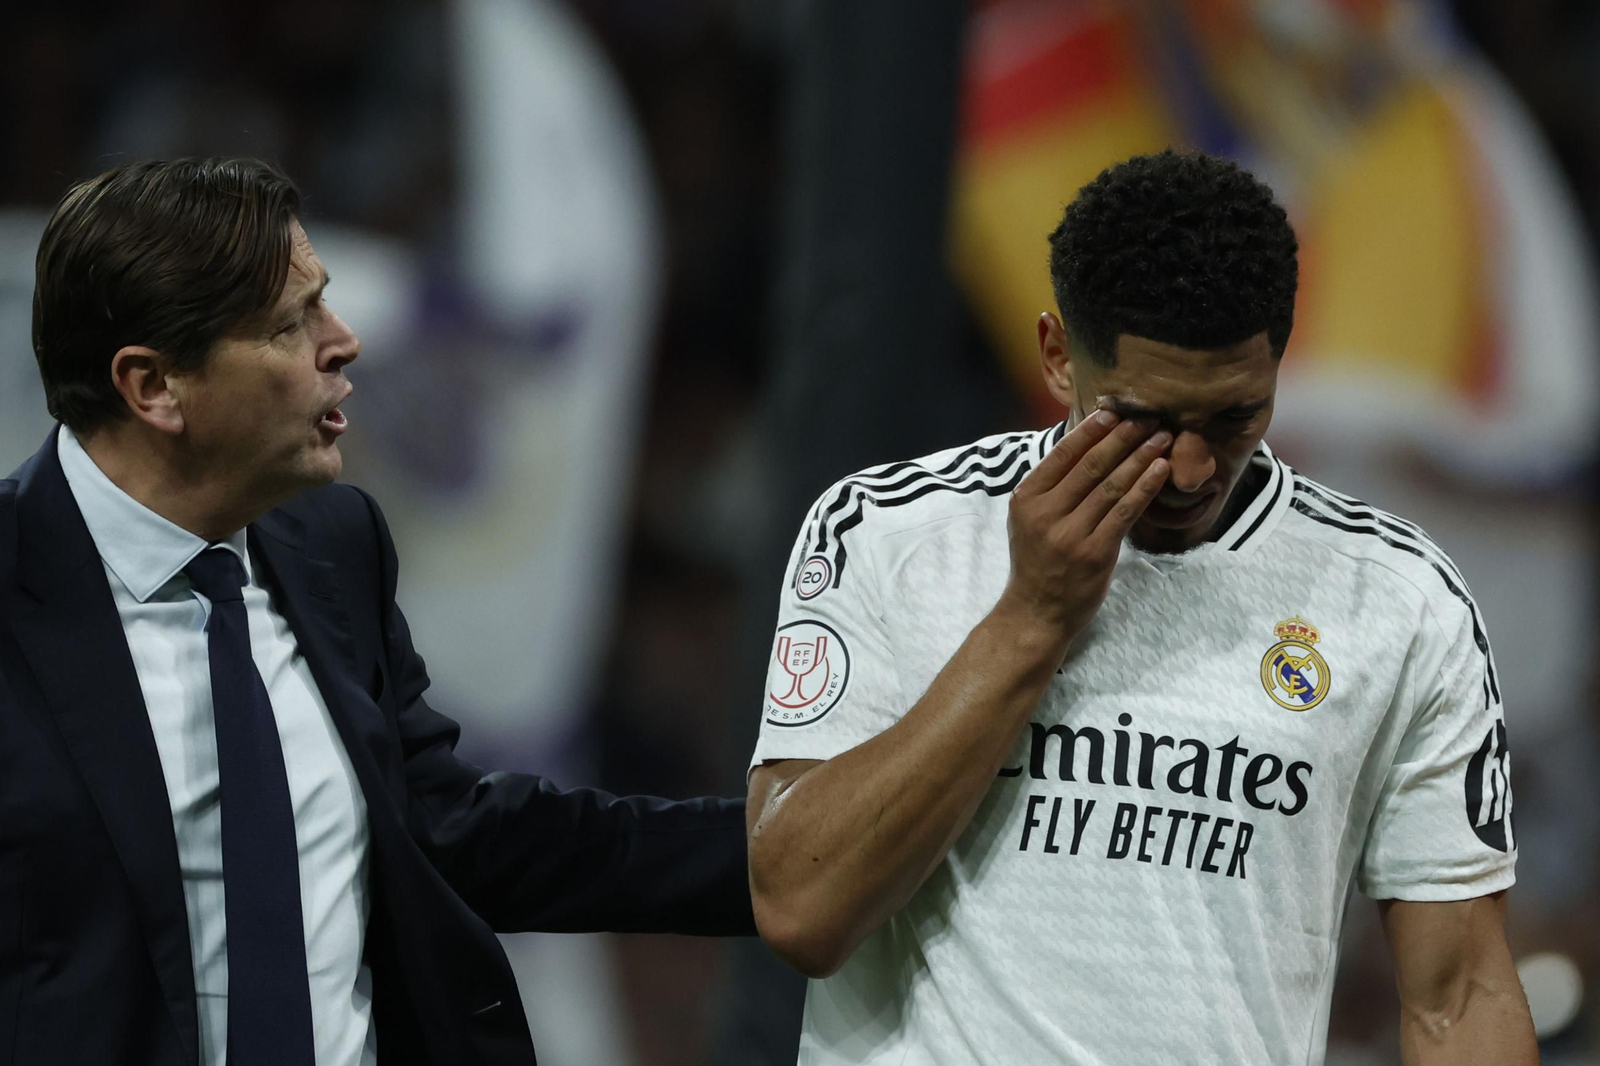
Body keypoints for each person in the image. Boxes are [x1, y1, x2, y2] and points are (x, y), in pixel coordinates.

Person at [745, 150, 1538, 1065]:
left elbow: (1460, 994)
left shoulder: (1398, 600)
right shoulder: (891, 535)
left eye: (1235, 417)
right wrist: (1032, 620)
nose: (1193, 468)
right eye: (1147, 422)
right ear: (1056, 357)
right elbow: (801, 906)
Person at [0, 157, 754, 1066]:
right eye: (292, 324)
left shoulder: (332, 544)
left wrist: (770, 854)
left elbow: (450, 832)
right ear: (154, 387)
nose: (345, 340)